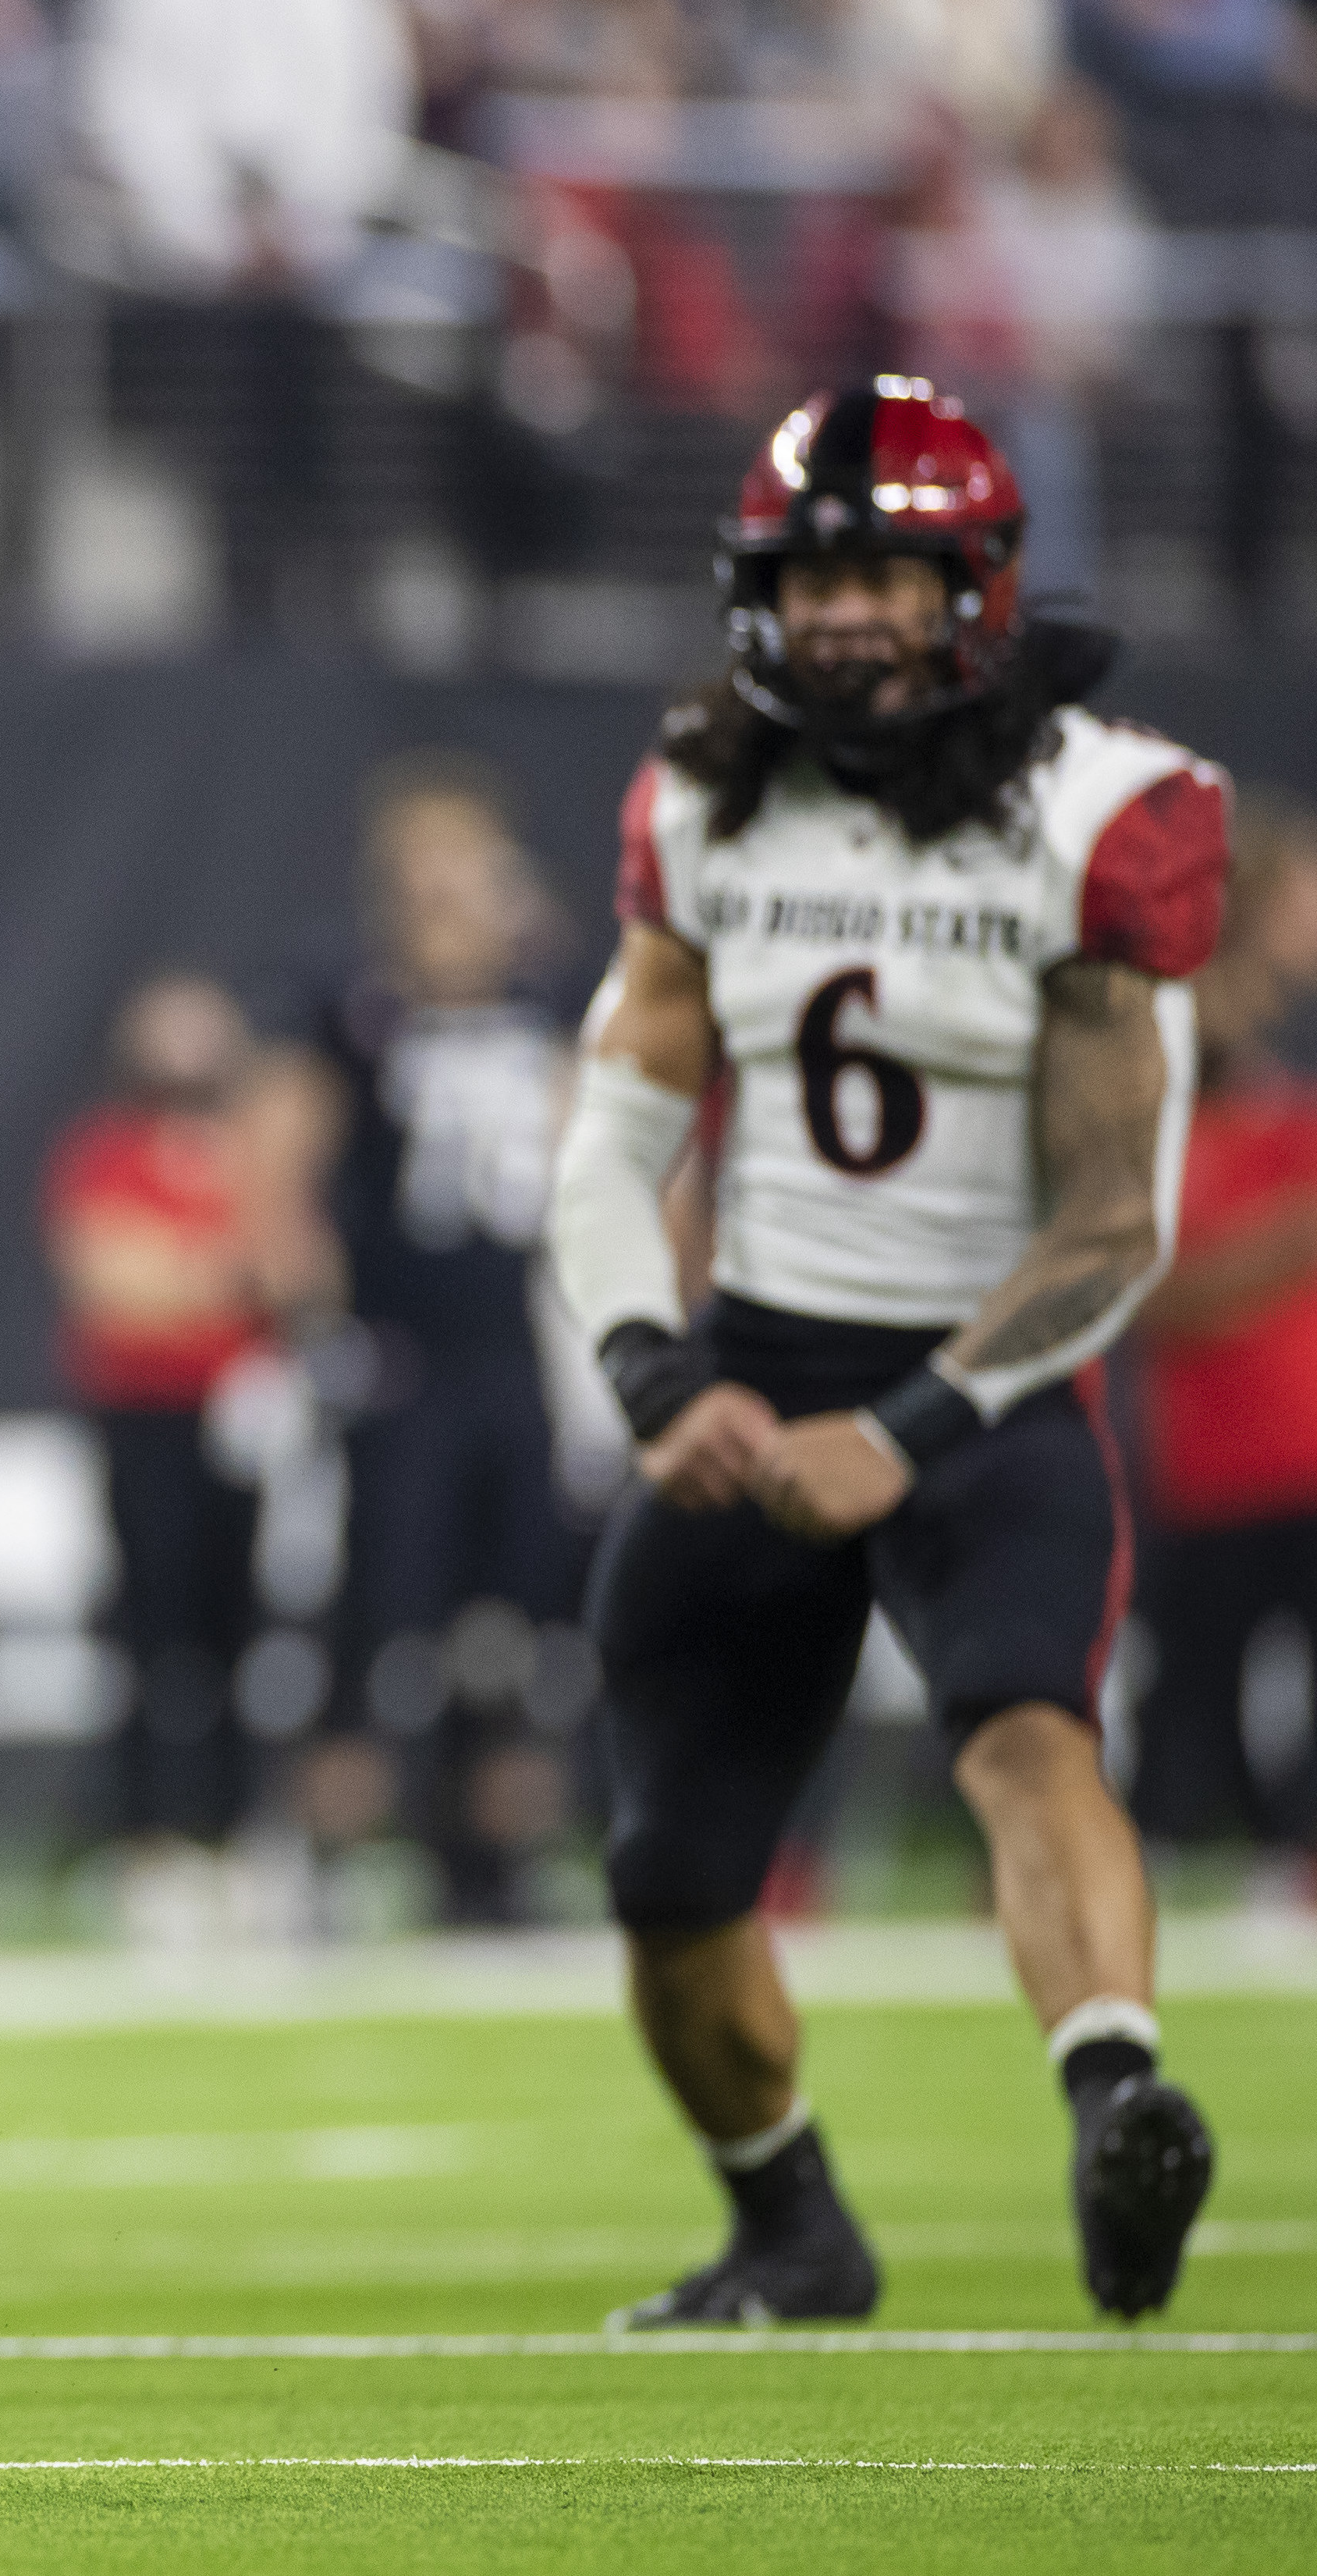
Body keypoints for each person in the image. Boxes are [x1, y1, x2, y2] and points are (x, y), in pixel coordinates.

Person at [549, 377, 1226, 2328]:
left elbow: (1112, 1220)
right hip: (758, 1366)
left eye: (883, 572)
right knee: (667, 1873)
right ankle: (786, 2222)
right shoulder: (702, 796)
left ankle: (1113, 2095)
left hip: (987, 1377)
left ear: (975, 586)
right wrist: (655, 1377)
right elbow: (608, 1132)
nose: (842, 613)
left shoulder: (1102, 806)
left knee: (1025, 1729)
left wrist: (910, 1425)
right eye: (811, 574)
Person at [237, 753, 587, 1921]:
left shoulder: (545, 995)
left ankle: (489, 1866)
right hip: (395, 1358)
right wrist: (313, 1320)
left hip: (510, 1347)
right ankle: (326, 1862)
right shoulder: (347, 999)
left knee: (512, 1629)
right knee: (375, 1622)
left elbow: (595, 1153)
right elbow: (274, 1167)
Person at [1130, 796, 1317, 1858]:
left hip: (1288, 1437)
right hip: (1219, 1455)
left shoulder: (1266, 1071)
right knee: (1192, 1699)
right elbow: (1158, 1281)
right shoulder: (1175, 1062)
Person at [48, 972, 270, 1849]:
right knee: (150, 1628)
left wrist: (190, 1272)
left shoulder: (255, 1150)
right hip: (142, 1416)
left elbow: (290, 1267)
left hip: (244, 1424)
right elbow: (110, 1281)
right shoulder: (106, 1150)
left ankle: (235, 1829)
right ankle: (147, 1834)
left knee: (240, 1634)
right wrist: (219, 1275)